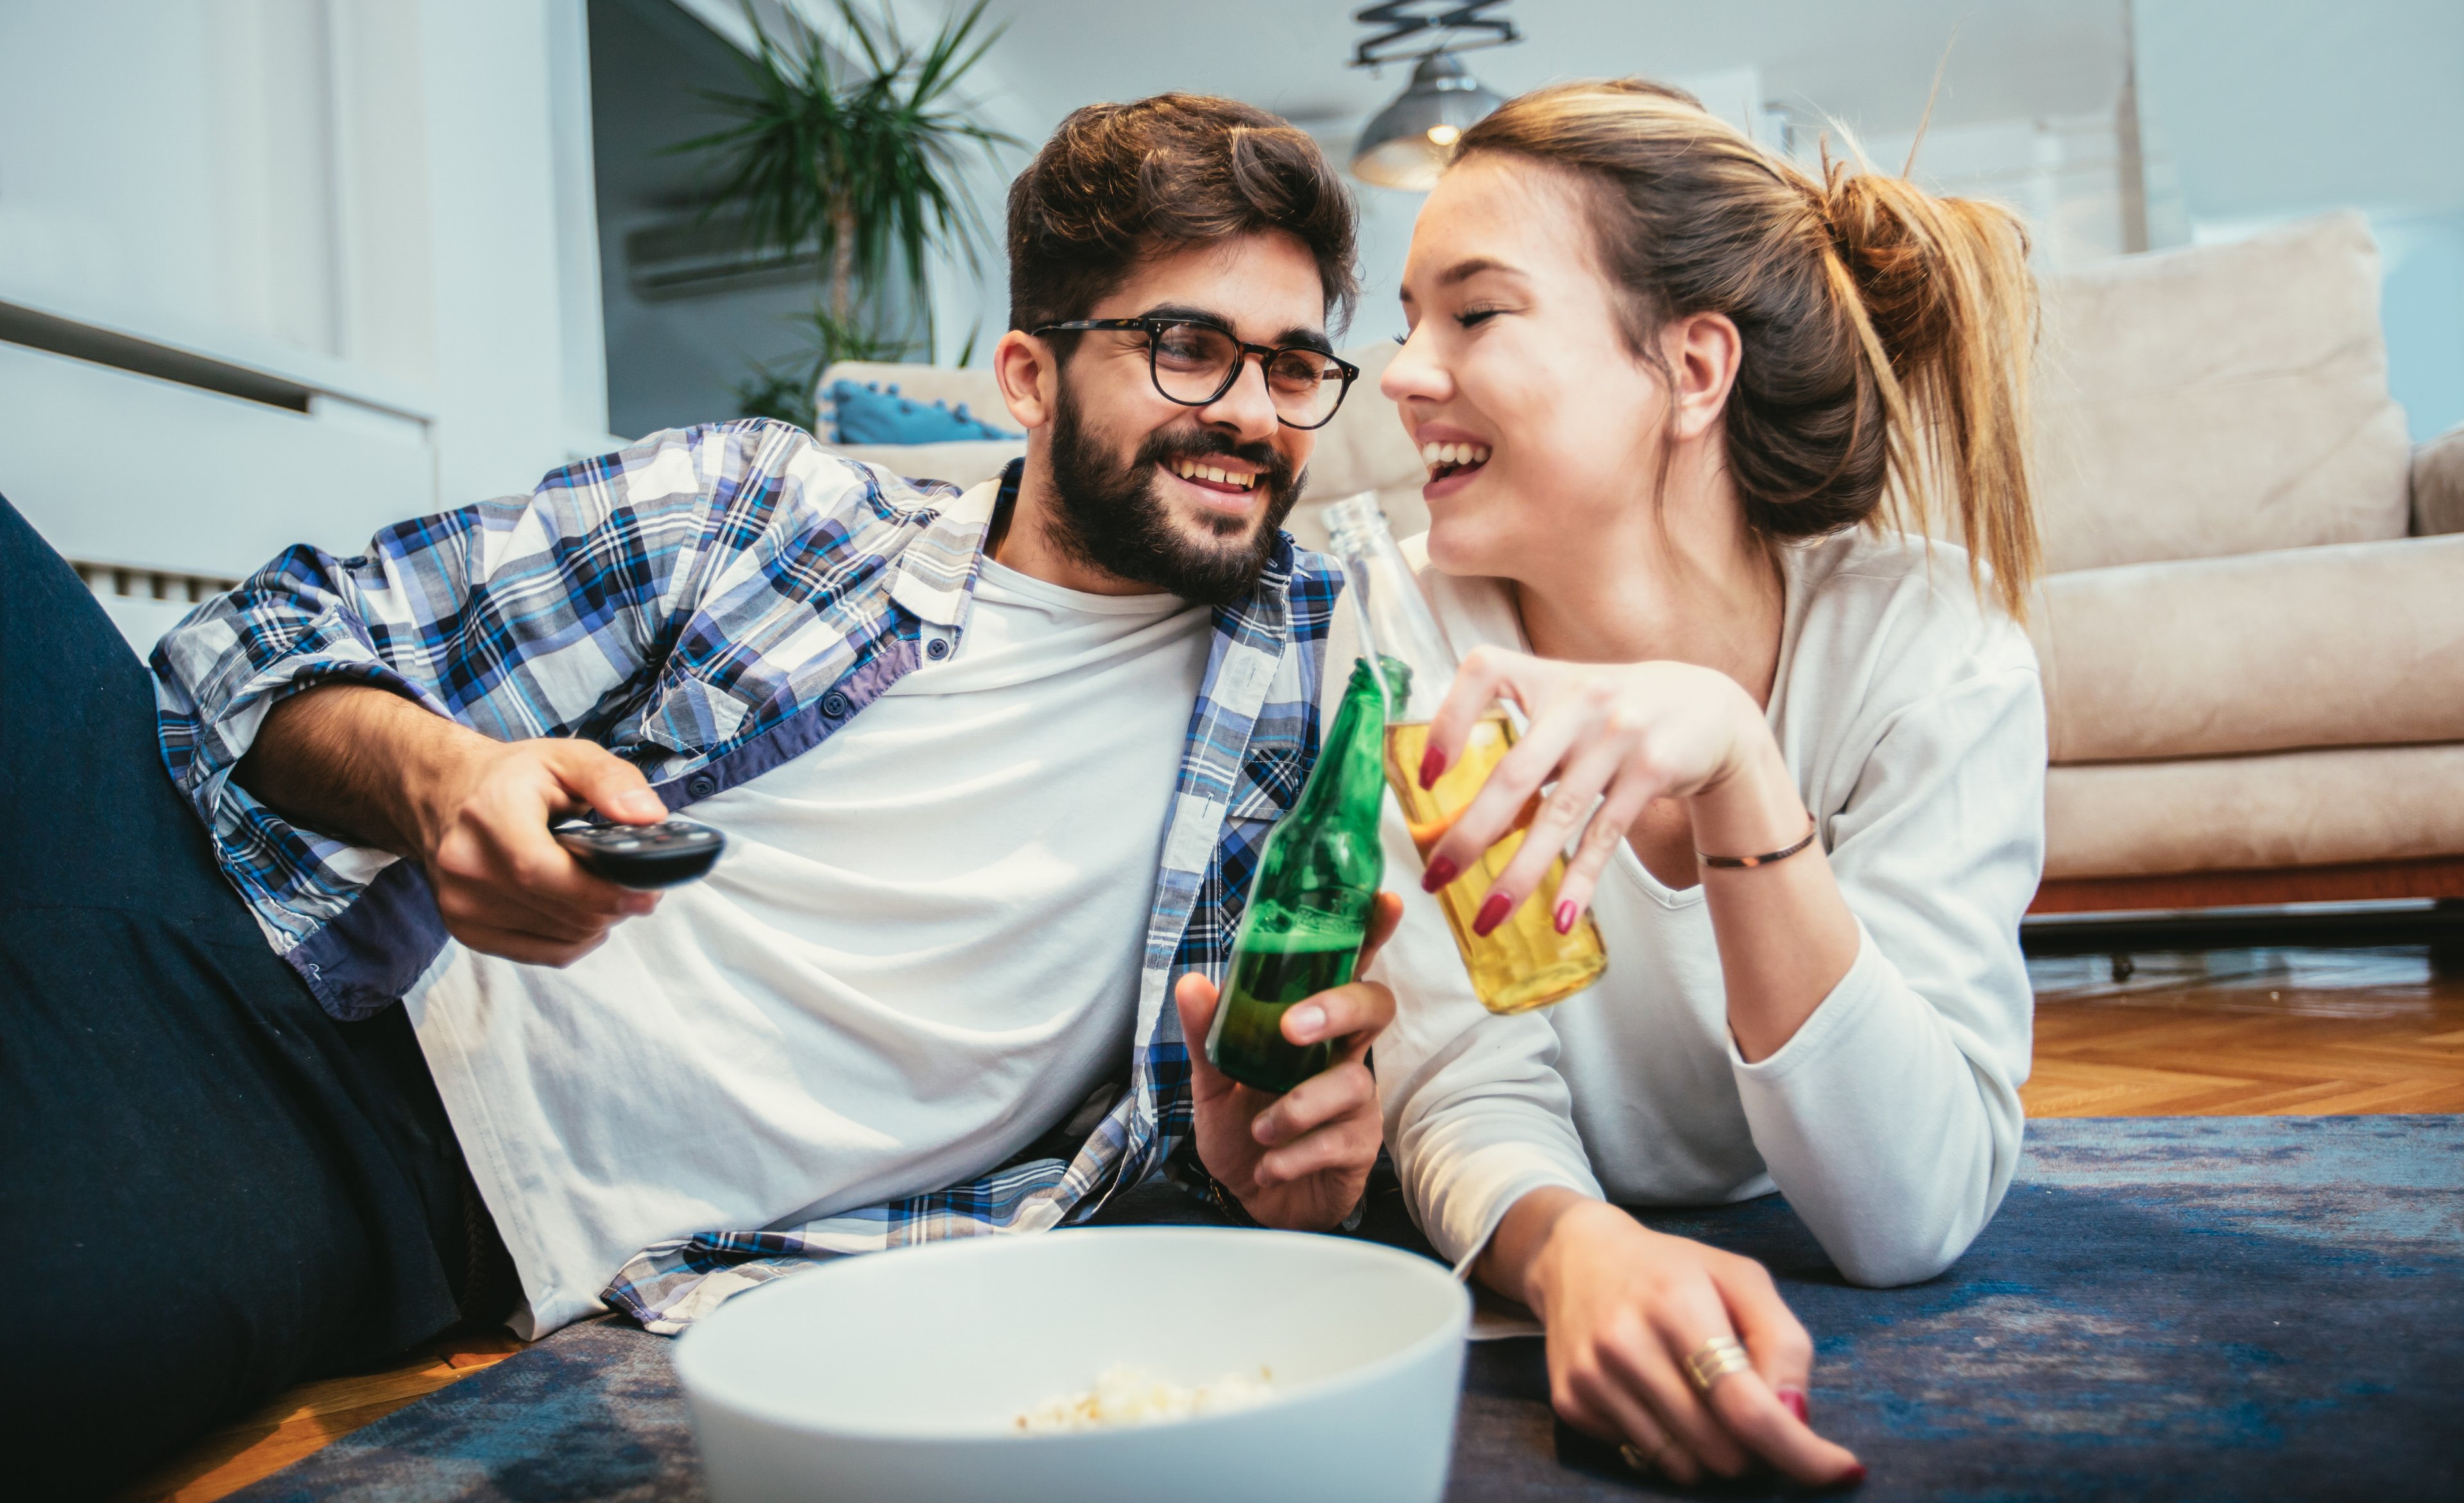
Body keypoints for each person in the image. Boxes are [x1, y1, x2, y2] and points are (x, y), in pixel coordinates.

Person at [0, 93, 1399, 1493]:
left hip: (374, 1167)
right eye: (1188, 348)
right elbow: (259, 638)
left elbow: (1232, 1143)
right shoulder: (764, 510)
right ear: (1029, 377)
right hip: (224, 891)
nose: (1252, 414)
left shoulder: (1319, 686)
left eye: (1292, 366)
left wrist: (1268, 1179)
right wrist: (448, 780)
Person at [1353, 79, 2047, 1490]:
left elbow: (1905, 1213)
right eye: (1409, 315)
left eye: (1475, 312)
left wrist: (1738, 758)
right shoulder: (1398, 633)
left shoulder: (1933, 651)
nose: (1403, 371)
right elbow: (1462, 1079)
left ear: (1692, 369)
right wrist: (1569, 1245)